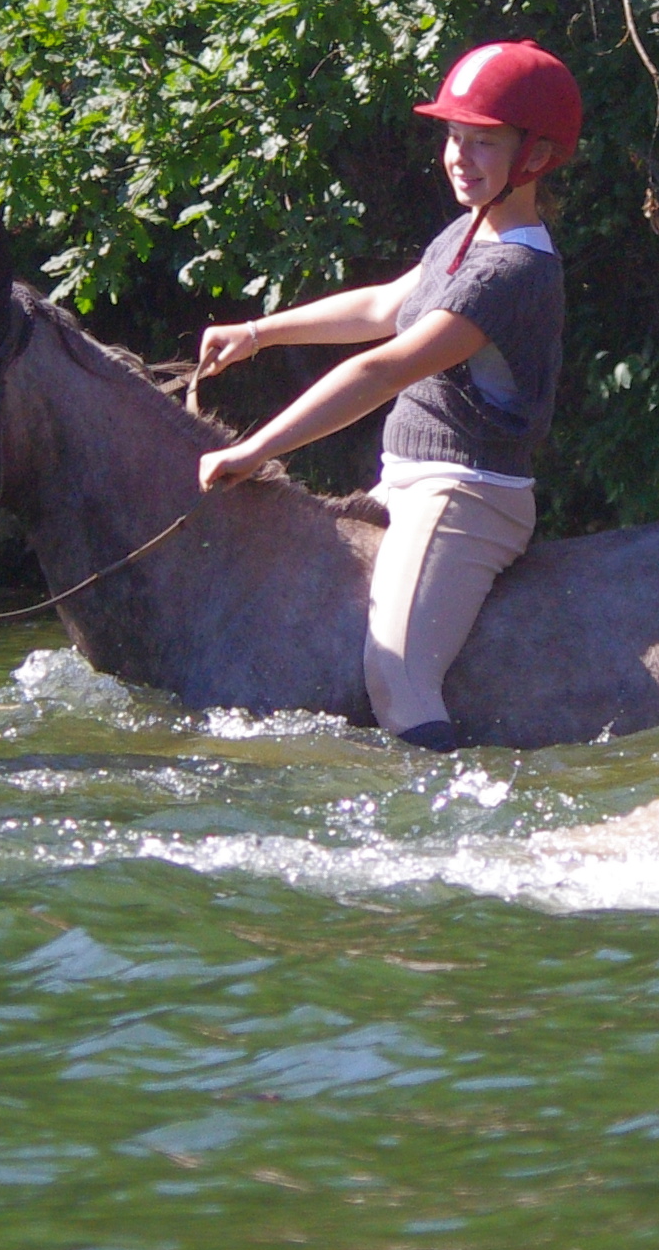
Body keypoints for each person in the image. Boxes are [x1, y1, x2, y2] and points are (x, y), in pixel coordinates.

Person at [190, 40, 579, 752]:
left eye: (482, 142)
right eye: (454, 137)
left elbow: (383, 368)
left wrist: (254, 448)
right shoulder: (467, 235)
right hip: (404, 482)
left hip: (467, 495)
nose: (459, 156)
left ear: (535, 156)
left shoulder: (514, 270)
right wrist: (256, 333)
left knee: (395, 678)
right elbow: (382, 308)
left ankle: (447, 820)